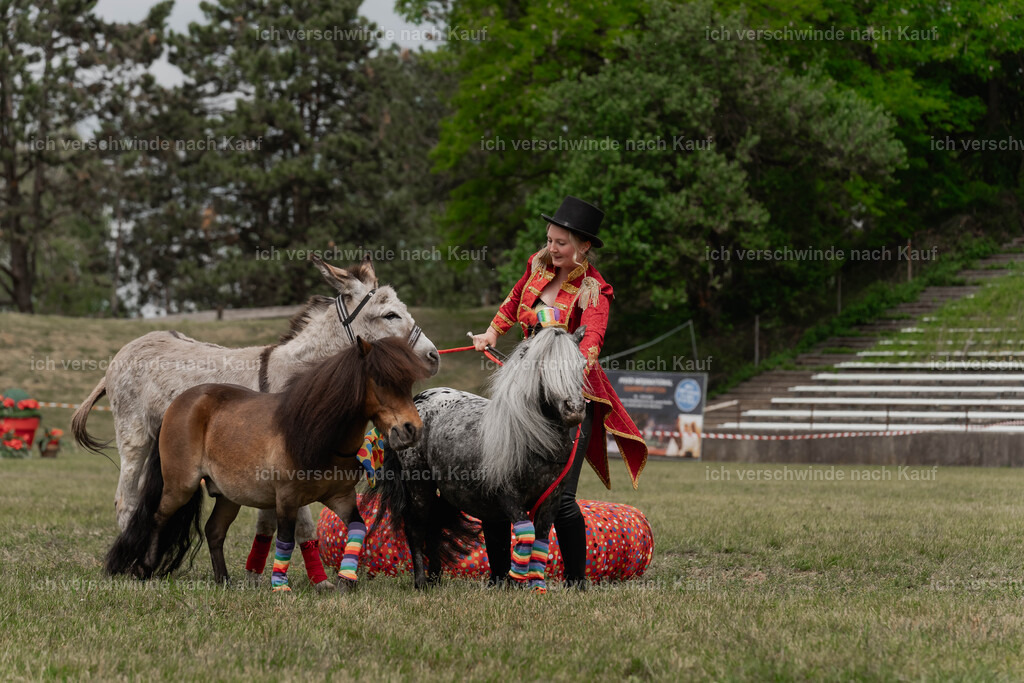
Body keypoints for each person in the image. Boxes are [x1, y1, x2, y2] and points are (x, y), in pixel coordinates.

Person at [472, 195, 648, 589]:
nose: (551, 249)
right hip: (522, 386)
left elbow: (593, 339)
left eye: (561, 243)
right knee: (501, 481)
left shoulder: (594, 290)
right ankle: (499, 577)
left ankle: (575, 581)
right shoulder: (536, 267)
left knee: (560, 498)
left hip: (569, 394)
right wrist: (490, 333)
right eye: (550, 240)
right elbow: (512, 303)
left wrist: (565, 369)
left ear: (584, 246)